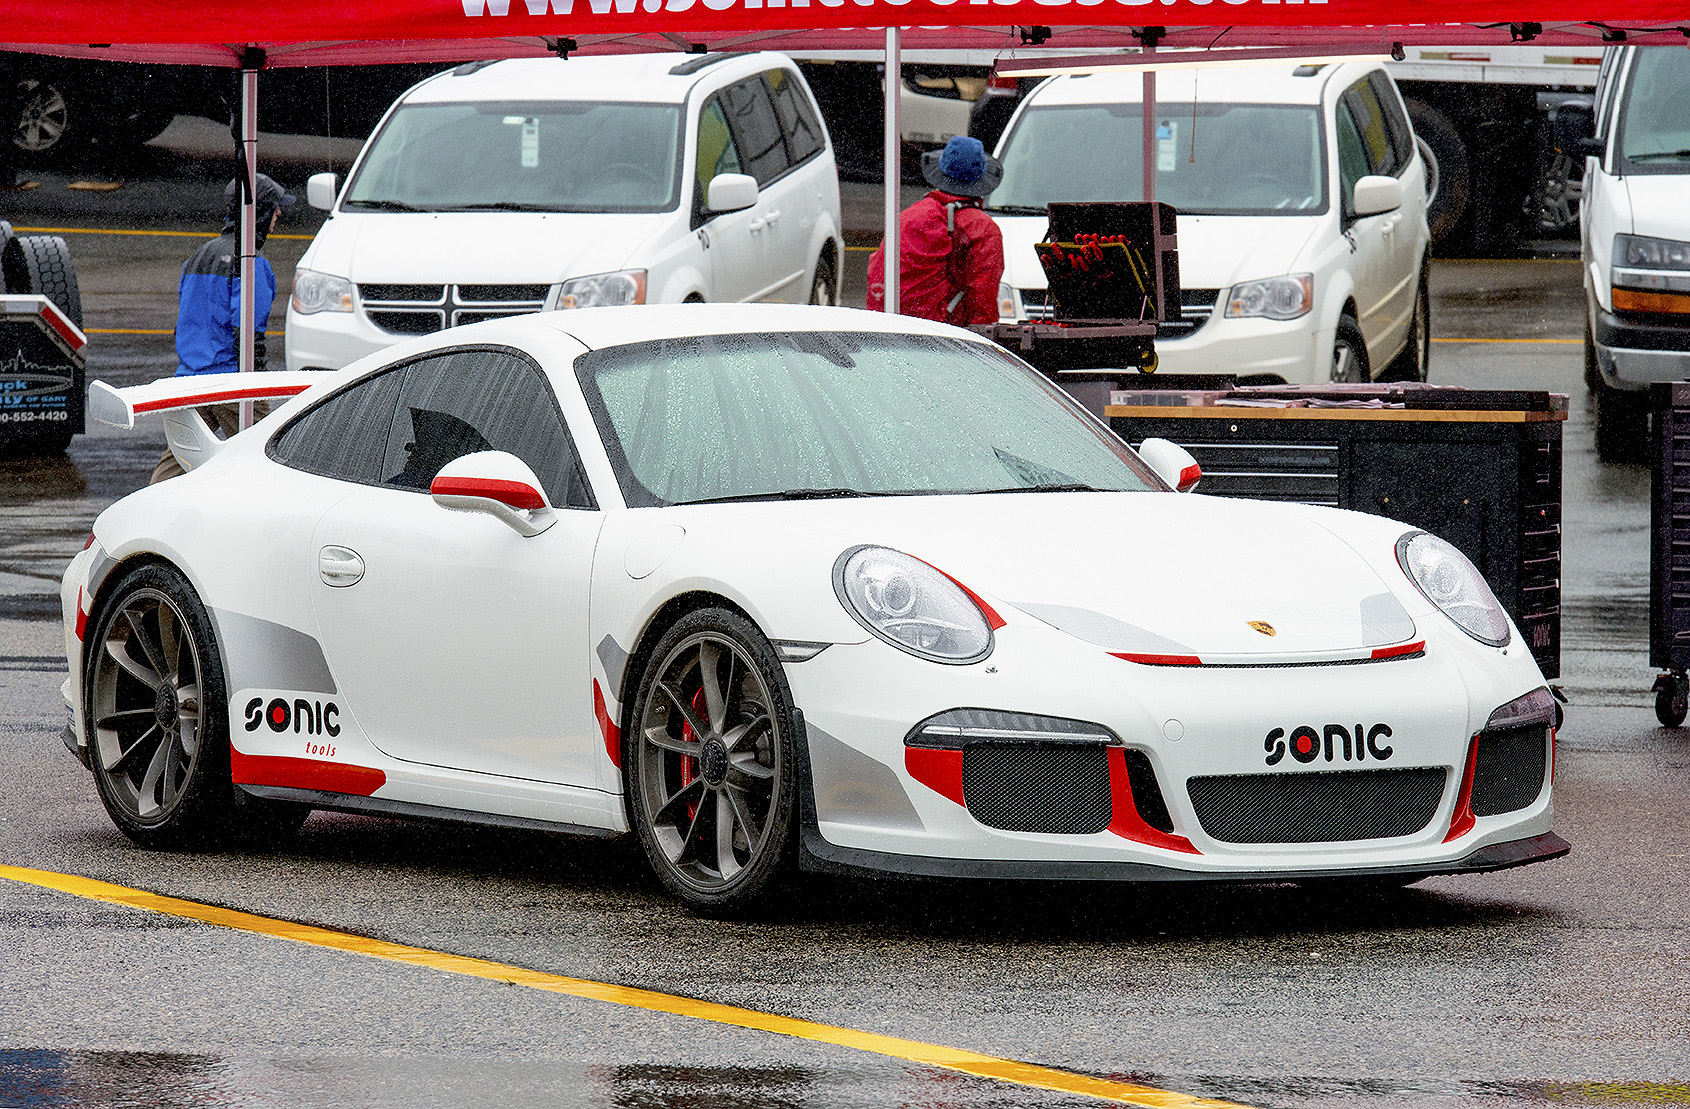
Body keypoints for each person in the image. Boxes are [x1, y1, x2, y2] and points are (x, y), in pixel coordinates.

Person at [151, 173, 295, 484]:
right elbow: (248, 332)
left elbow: (186, 319)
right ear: (260, 212)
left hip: (189, 380)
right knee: (265, 463)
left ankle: (144, 508)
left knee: (176, 463)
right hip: (231, 383)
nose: (279, 214)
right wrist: (257, 386)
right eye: (275, 207)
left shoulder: (198, 256)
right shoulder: (252, 263)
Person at [866, 135, 1005, 327]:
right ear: (981, 178)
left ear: (941, 171)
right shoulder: (981, 228)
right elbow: (983, 299)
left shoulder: (909, 216)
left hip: (890, 327)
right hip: (942, 333)